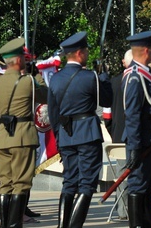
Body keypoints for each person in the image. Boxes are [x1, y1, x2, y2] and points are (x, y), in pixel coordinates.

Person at [47, 31, 112, 228]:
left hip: (66, 135)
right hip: (87, 133)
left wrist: (60, 139)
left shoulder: (56, 79)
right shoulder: (90, 76)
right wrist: (104, 77)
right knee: (86, 184)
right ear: (79, 53)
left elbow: (53, 113)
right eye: (85, 50)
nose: (87, 53)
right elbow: (107, 101)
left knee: (69, 182)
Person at [0, 38, 47, 228]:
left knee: (5, 184)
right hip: (22, 137)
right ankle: (15, 225)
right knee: (21, 184)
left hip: (3, 138)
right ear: (19, 60)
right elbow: (45, 96)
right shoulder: (28, 81)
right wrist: (36, 75)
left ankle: (5, 224)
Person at [122, 31, 151, 228]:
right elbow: (132, 115)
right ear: (147, 51)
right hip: (143, 141)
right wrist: (136, 146)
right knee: (138, 186)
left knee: (148, 188)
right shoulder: (135, 77)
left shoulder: (146, 75)